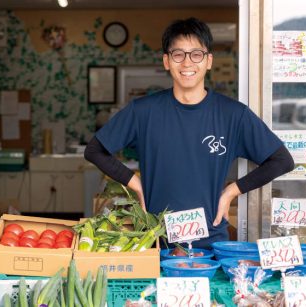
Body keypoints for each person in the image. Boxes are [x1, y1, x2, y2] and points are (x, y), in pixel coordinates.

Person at [84, 18, 294, 248]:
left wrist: (231, 191)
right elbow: (94, 150)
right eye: (178, 54)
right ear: (166, 61)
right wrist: (136, 184)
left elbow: (282, 161)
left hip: (210, 243)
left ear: (208, 61)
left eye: (196, 54)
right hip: (156, 242)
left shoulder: (233, 115)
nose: (187, 63)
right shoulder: (143, 111)